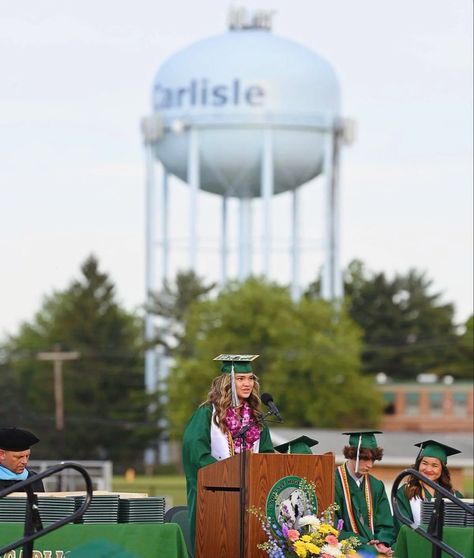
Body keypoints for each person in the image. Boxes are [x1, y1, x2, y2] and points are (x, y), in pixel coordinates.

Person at [182, 354, 274, 554]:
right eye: (240, 379)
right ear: (227, 382)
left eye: (250, 378)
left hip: (252, 494)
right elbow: (196, 453)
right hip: (217, 495)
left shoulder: (257, 418)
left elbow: (266, 453)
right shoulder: (207, 414)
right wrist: (227, 475)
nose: (247, 383)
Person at [335, 431, 395, 556]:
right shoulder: (333, 482)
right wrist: (363, 542)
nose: (370, 465)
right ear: (352, 455)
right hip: (343, 548)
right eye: (365, 459)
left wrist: (381, 542)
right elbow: (331, 525)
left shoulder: (376, 486)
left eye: (373, 460)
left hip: (375, 548)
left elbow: (385, 523)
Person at [394, 439, 463, 538]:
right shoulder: (405, 492)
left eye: (435, 465)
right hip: (416, 544)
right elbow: (401, 526)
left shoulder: (454, 495)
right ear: (418, 465)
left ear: (442, 469)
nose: (428, 469)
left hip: (446, 546)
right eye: (424, 463)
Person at [0, 427, 45, 492]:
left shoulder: (33, 479)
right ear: (1, 455)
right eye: (18, 457)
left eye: (27, 456)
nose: (25, 462)